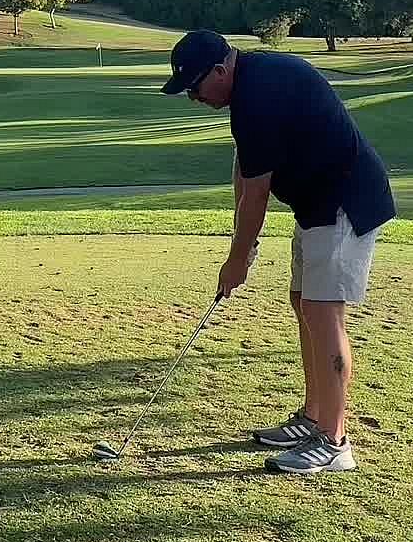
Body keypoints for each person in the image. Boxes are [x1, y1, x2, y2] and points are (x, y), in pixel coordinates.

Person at [162, 29, 395, 474]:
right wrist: (243, 244)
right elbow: (245, 171)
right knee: (302, 301)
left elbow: (257, 196)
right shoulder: (249, 87)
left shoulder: (259, 94)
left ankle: (334, 441)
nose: (194, 98)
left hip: (346, 204)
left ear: (219, 70)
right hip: (316, 205)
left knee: (323, 312)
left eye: (194, 86)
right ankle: (314, 417)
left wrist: (237, 259)